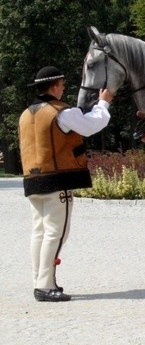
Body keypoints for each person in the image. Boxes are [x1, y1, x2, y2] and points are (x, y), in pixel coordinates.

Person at [19, 66, 114, 302]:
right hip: (57, 178)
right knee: (56, 233)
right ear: (53, 87)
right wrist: (103, 103)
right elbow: (92, 125)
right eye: (61, 85)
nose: (63, 89)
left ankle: (41, 280)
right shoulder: (60, 112)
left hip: (33, 180)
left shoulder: (25, 114)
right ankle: (44, 284)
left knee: (39, 233)